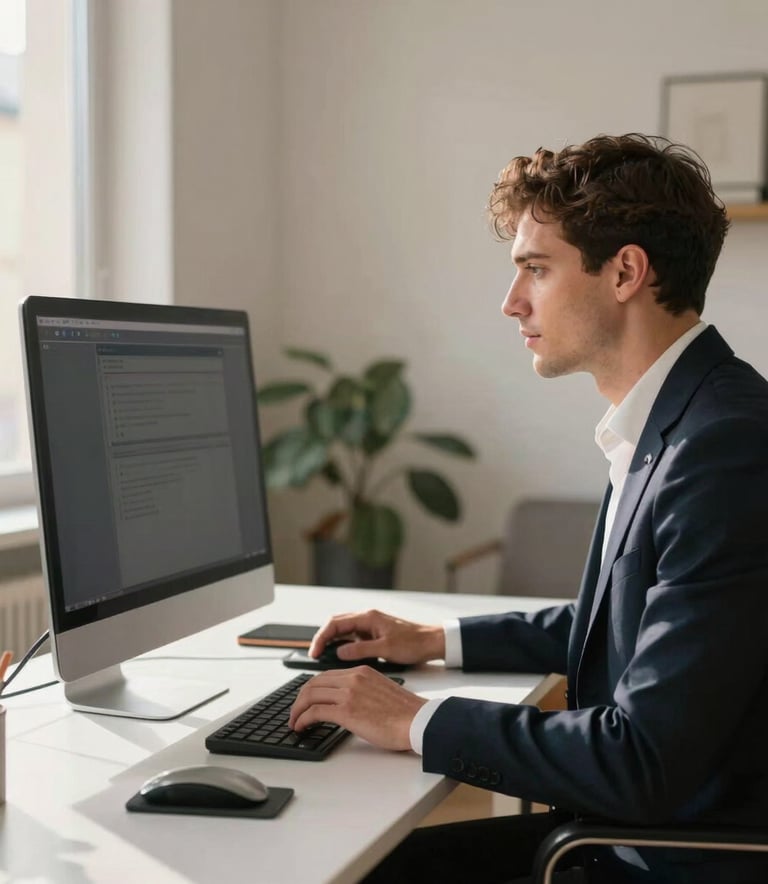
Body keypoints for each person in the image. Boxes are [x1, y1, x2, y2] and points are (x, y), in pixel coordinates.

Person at [288, 133, 768, 883]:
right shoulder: (678, 416)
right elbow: (620, 621)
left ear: (626, 272)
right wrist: (432, 638)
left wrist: (411, 718)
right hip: (626, 835)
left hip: (665, 860)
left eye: (536, 270)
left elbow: (638, 760)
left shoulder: (723, 449)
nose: (511, 302)